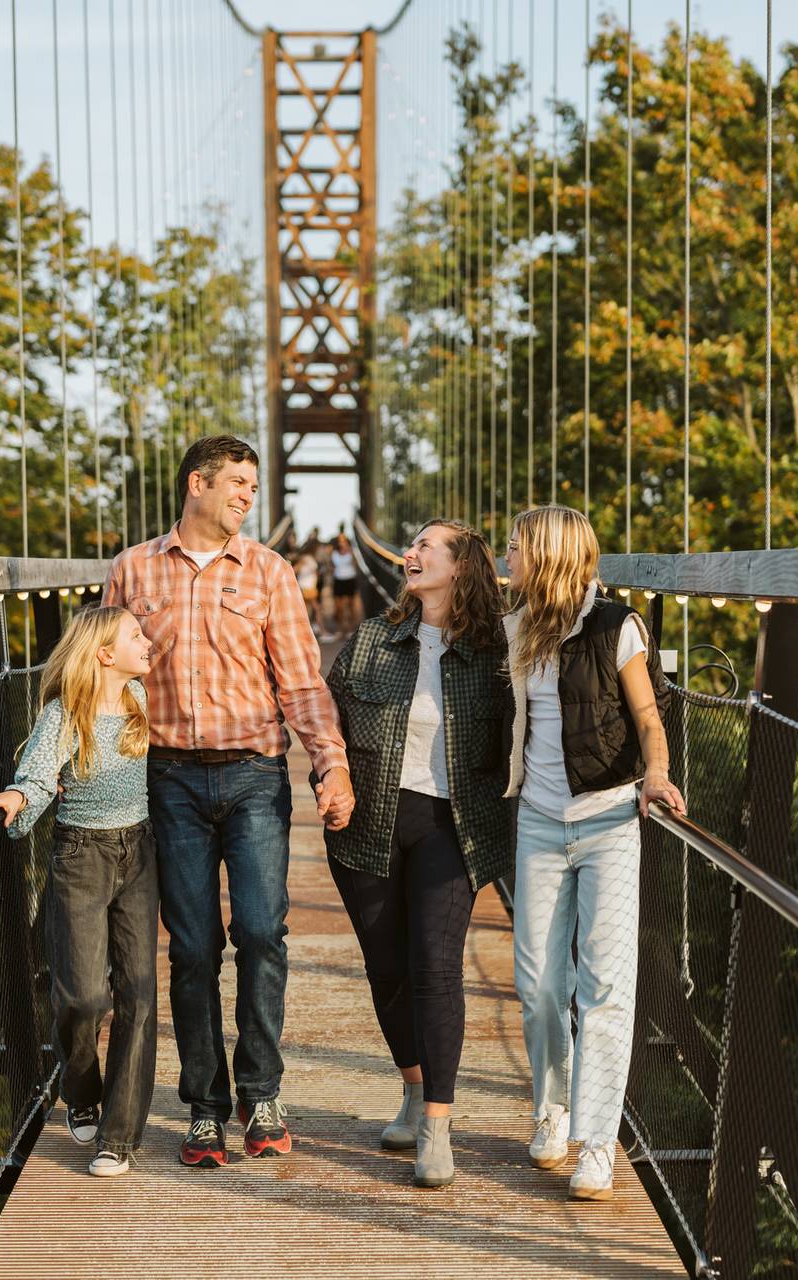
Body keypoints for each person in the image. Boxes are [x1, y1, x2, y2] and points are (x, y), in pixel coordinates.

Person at [104, 434, 355, 1169]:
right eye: (237, 483)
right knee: (191, 949)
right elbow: (100, 675)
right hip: (169, 779)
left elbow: (303, 683)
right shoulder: (133, 570)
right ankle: (206, 1108)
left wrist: (330, 768)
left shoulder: (272, 572)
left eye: (253, 484)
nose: (248, 496)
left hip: (254, 774)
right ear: (196, 484)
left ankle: (263, 1092)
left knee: (260, 933)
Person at [501, 505, 685, 1200]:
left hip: (609, 821)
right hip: (540, 827)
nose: (509, 558)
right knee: (541, 989)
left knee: (604, 987)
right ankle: (551, 1110)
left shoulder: (617, 626)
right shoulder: (516, 630)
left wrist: (658, 774)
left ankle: (599, 1142)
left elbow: (647, 717)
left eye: (517, 548)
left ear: (546, 555)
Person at [324, 520, 512, 1189]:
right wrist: (329, 777)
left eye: (426, 547)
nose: (409, 554)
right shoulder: (374, 639)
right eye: (411, 546)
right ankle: (410, 1086)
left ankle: (437, 1122)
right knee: (386, 967)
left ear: (462, 567)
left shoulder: (499, 651)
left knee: (435, 964)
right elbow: (328, 720)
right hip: (369, 821)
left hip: (453, 827)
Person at [0, 606, 157, 1178]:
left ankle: (117, 1136)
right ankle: (80, 1087)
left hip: (140, 852)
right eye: (135, 636)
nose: (147, 642)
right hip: (81, 857)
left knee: (138, 993)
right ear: (104, 654)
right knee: (82, 998)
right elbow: (36, 774)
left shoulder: (139, 704)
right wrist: (15, 799)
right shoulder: (64, 714)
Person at [327, 532, 361, 635]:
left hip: (350, 579)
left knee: (350, 605)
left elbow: (357, 564)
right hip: (338, 580)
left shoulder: (352, 552)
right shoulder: (333, 553)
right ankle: (341, 629)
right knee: (339, 606)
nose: (342, 543)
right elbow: (330, 566)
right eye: (340, 541)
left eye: (343, 540)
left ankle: (351, 628)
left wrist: (352, 553)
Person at [292, 550, 321, 629]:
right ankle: (320, 629)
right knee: (315, 608)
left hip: (309, 588)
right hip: (305, 588)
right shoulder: (306, 559)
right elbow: (293, 570)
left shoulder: (309, 559)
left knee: (307, 609)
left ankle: (308, 628)